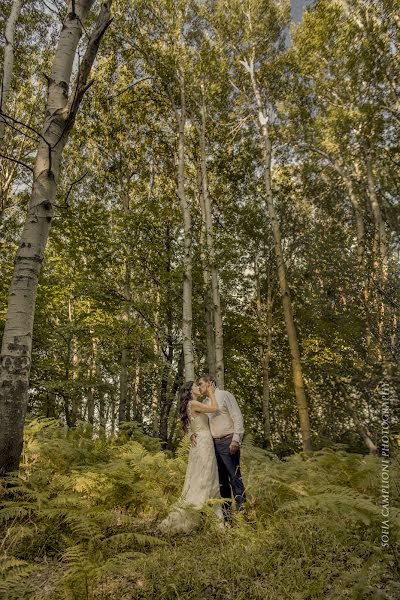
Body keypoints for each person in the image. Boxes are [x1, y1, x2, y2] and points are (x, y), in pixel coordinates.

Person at [159, 380, 223, 534]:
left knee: (205, 477)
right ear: (190, 391)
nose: (198, 387)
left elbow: (191, 426)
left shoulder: (191, 405)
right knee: (204, 479)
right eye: (196, 386)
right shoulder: (193, 404)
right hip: (203, 444)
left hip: (201, 441)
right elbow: (214, 408)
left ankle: (216, 522)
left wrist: (190, 435)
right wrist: (211, 393)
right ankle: (196, 518)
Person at [195, 375, 246, 519]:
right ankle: (228, 518)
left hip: (228, 441)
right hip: (213, 446)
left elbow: (237, 417)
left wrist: (236, 440)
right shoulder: (205, 402)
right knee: (221, 482)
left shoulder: (225, 395)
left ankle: (243, 515)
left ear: (210, 383)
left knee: (235, 478)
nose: (199, 387)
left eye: (200, 384)